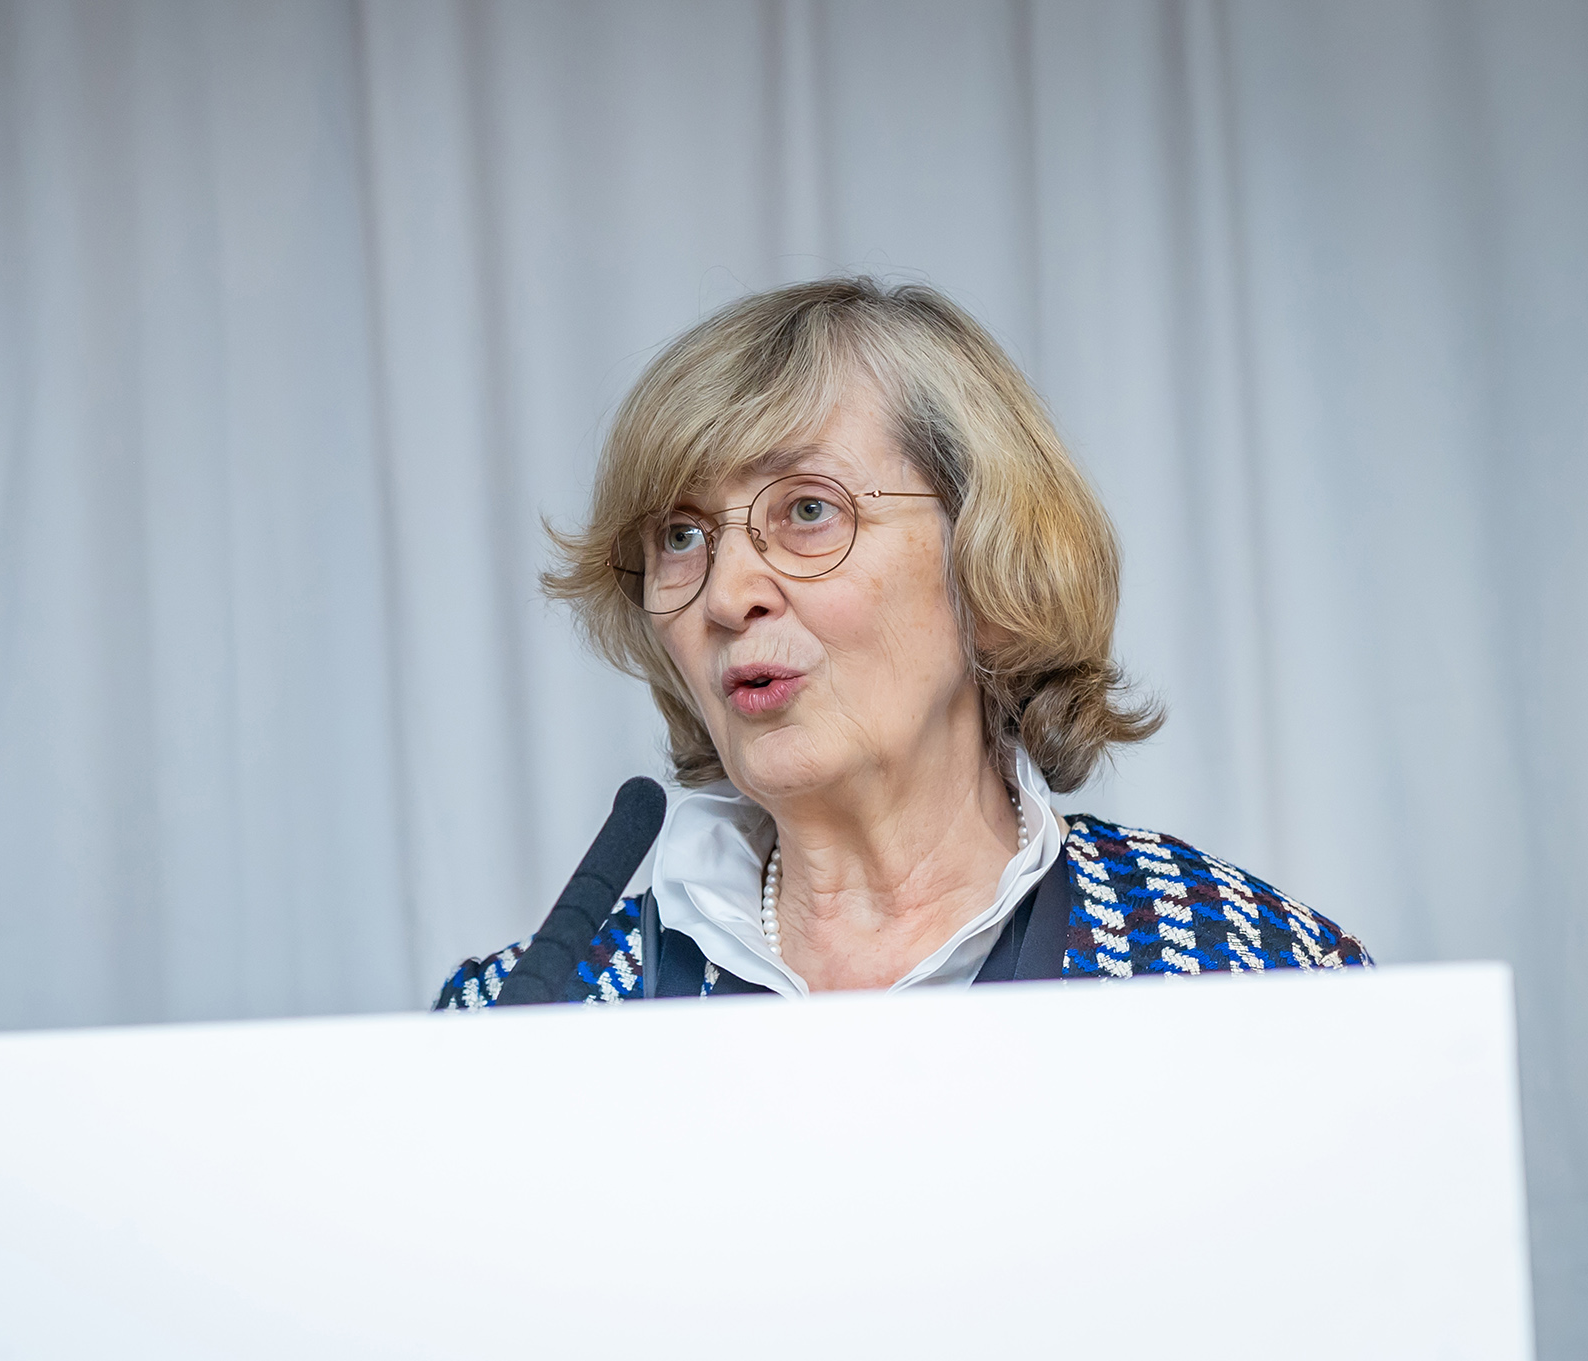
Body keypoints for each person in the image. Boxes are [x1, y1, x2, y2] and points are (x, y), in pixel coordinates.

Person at [437, 278, 1368, 1010]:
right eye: (681, 535)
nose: (724, 595)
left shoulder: (1252, 976)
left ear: (987, 565)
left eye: (808, 510)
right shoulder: (518, 1024)